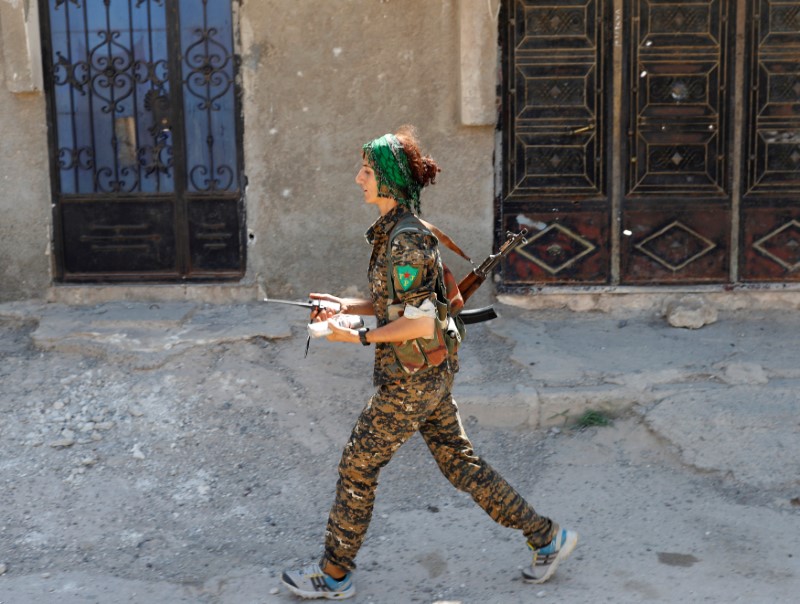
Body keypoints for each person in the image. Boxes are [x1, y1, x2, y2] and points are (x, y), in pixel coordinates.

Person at [280, 126, 577, 600]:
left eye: (366, 171)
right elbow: (398, 304)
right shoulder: (395, 232)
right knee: (461, 465)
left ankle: (334, 575)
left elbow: (418, 324)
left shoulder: (408, 242)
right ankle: (547, 537)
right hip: (429, 373)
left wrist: (351, 334)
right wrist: (343, 305)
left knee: (358, 465)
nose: (358, 178)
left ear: (389, 181)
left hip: (412, 379)